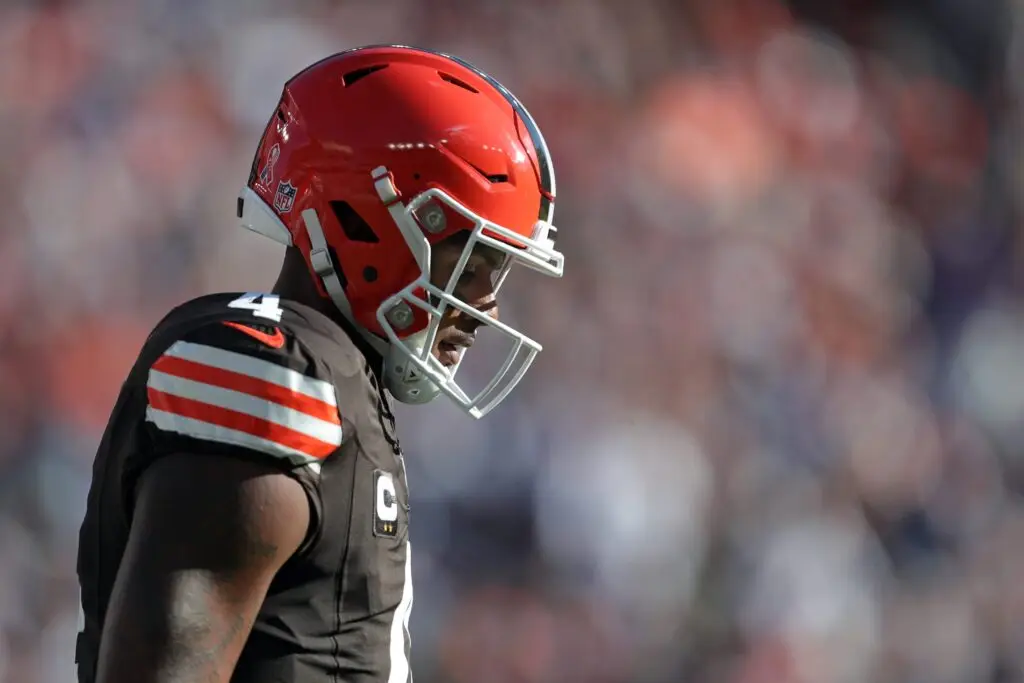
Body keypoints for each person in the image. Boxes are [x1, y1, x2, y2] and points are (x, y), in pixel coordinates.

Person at [75, 45, 564, 683]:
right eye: (471, 264)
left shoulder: (340, 380)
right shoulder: (264, 369)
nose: (485, 305)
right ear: (367, 219)